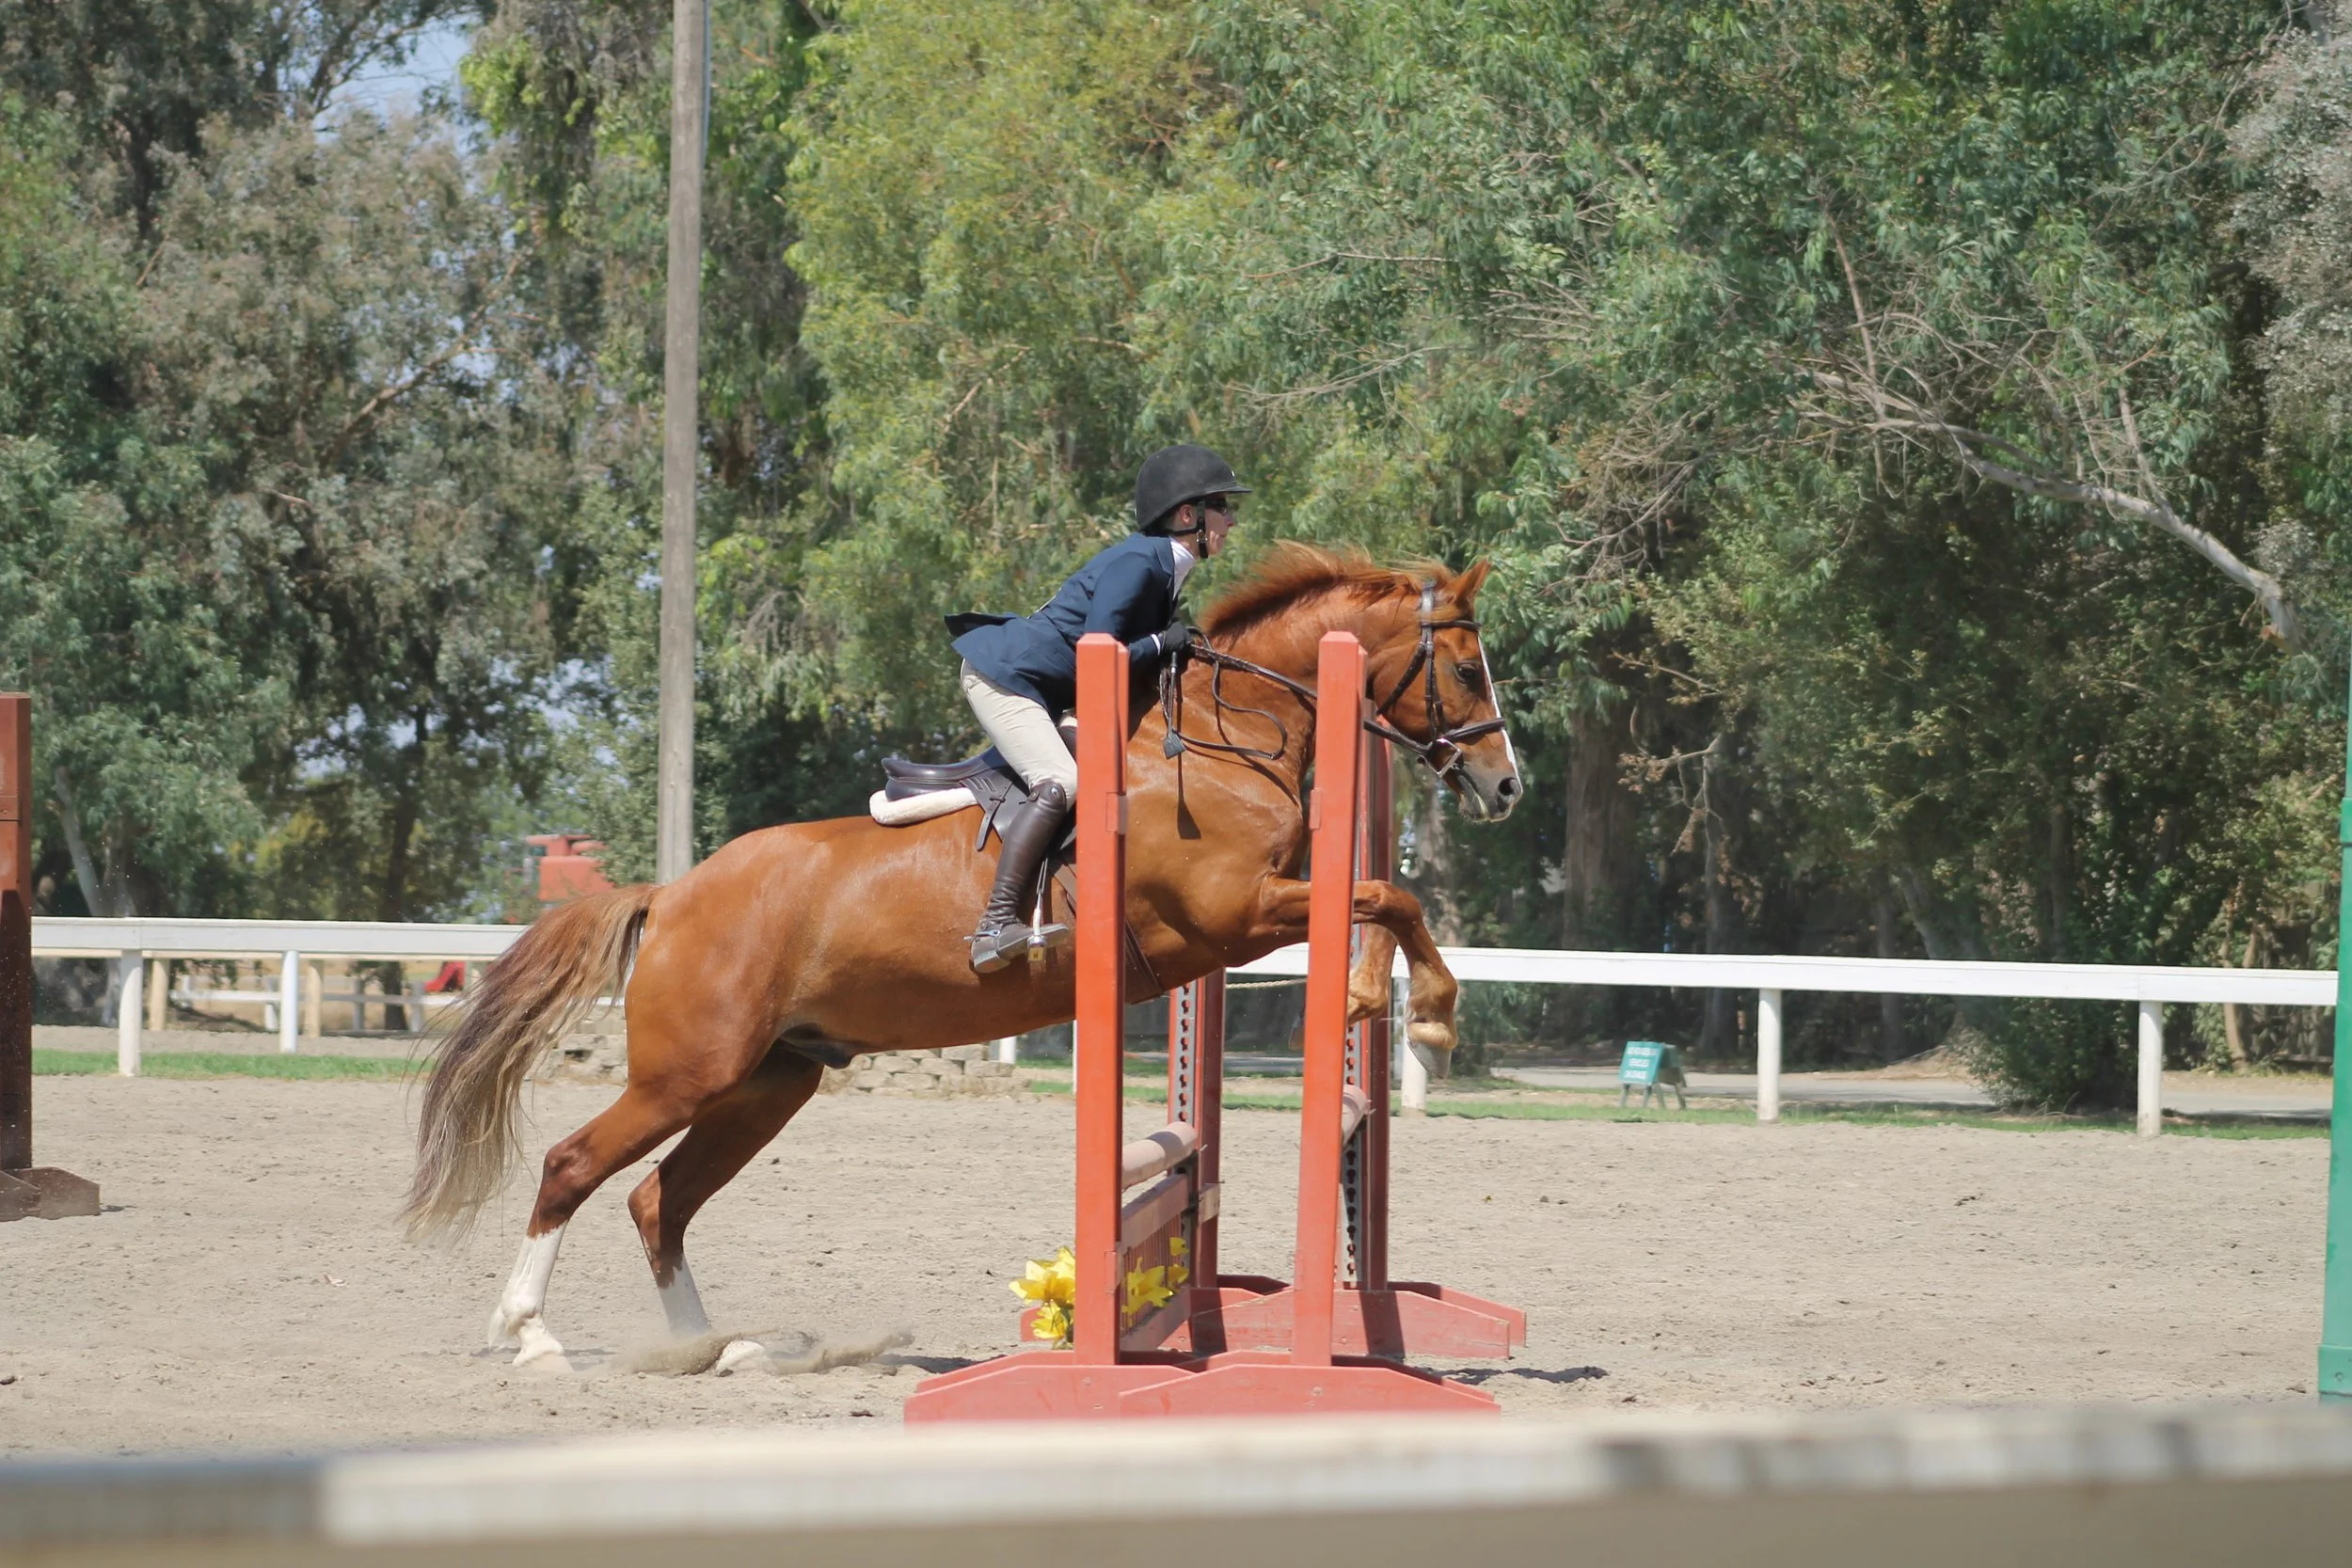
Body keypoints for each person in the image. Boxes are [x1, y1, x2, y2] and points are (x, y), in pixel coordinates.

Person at [946, 444, 1247, 972]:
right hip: (1005, 678)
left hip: (1051, 688)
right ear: (1187, 515)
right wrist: (1160, 644)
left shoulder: (1166, 567)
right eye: (1223, 506)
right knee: (1062, 780)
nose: (1232, 520)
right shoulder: (1138, 563)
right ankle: (994, 925)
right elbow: (1098, 657)